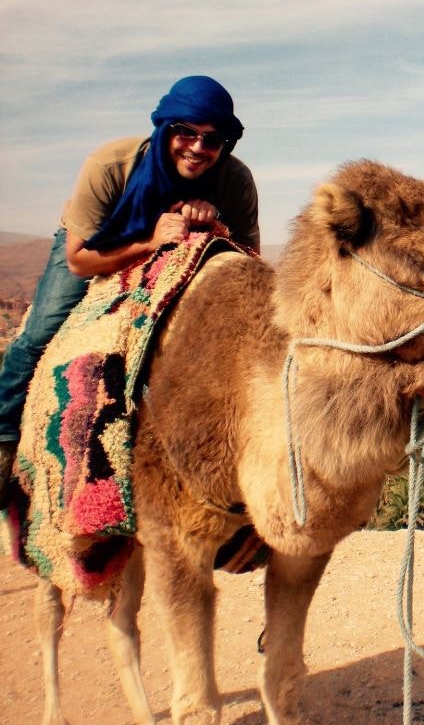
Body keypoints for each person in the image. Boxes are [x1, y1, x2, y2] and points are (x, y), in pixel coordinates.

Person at [0, 75, 259, 495]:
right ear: (166, 128)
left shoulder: (234, 180)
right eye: (186, 132)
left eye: (212, 139)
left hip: (179, 248)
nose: (198, 147)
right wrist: (149, 242)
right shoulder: (111, 164)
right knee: (40, 334)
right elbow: (79, 260)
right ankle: (5, 439)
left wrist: (215, 223)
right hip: (100, 242)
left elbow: (250, 262)